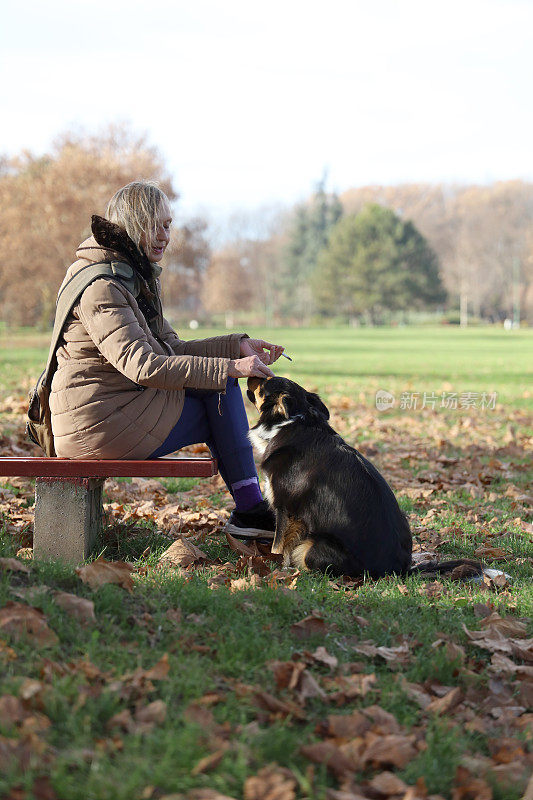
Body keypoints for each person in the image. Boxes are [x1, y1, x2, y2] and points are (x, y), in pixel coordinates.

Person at [49, 180, 284, 538]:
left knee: (217, 384)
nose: (165, 236)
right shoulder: (103, 285)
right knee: (219, 388)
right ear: (135, 224)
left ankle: (251, 511)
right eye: (157, 225)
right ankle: (251, 511)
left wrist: (237, 346)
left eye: (169, 225)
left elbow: (172, 347)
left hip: (115, 410)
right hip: (96, 422)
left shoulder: (129, 275)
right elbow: (143, 365)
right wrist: (230, 369)